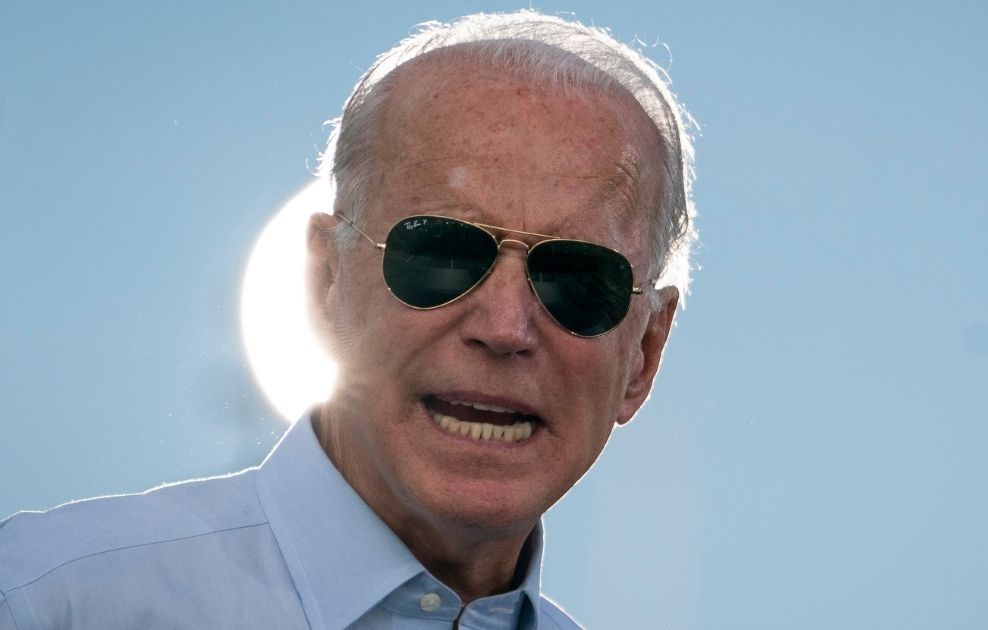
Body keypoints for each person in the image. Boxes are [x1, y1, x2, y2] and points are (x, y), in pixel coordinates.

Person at [0, 10, 695, 629]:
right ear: (325, 280)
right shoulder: (51, 601)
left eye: (576, 279)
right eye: (442, 254)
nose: (506, 326)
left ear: (645, 353)